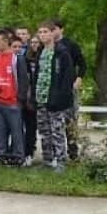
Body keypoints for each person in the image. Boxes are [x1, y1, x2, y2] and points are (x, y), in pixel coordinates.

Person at [32, 21, 76, 172]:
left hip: (56, 100)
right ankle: (48, 160)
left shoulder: (61, 53)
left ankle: (61, 161)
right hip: (41, 98)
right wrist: (34, 96)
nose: (43, 35)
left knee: (57, 131)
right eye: (40, 32)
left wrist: (60, 98)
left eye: (45, 32)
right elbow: (36, 76)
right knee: (44, 132)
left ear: (52, 33)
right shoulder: (40, 52)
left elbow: (67, 78)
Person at [0, 28, 30, 165]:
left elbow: (24, 80)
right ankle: (2, 157)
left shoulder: (17, 59)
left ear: (6, 42)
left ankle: (18, 158)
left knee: (17, 132)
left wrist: (20, 99)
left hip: (12, 101)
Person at [51, 19, 86, 161]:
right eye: (50, 30)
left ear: (61, 29)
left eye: (54, 29)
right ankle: (56, 153)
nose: (52, 32)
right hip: (54, 89)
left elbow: (82, 64)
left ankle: (73, 151)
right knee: (54, 121)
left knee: (70, 120)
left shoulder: (71, 45)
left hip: (69, 88)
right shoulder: (47, 46)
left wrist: (79, 78)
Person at [23, 36, 42, 164]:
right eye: (32, 42)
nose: (34, 44)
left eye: (37, 42)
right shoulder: (25, 59)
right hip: (28, 97)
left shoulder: (45, 57)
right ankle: (28, 153)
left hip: (42, 96)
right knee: (29, 127)